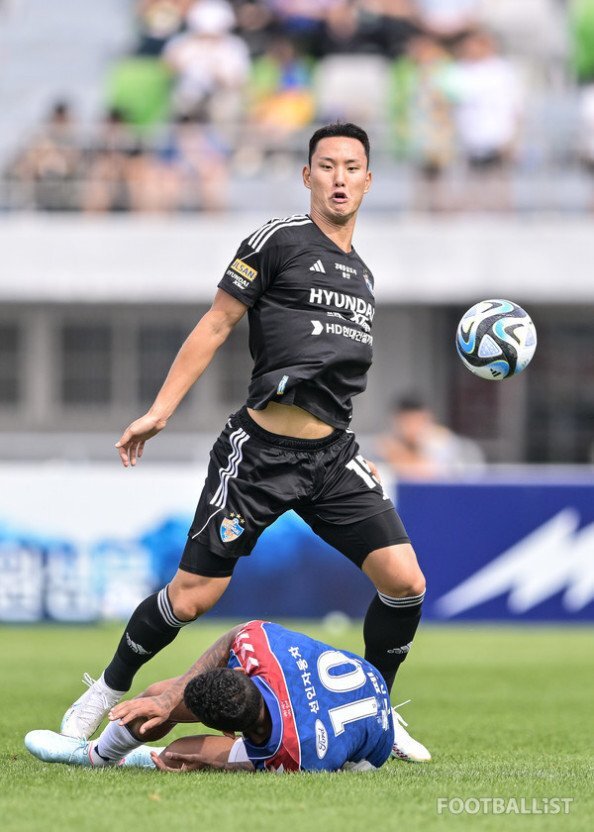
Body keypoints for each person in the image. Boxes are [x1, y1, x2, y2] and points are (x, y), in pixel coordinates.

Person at [60, 122, 429, 761]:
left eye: (351, 168)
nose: (339, 178)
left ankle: (379, 708)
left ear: (369, 181)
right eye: (327, 166)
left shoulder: (363, 276)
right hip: (259, 455)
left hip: (332, 459)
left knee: (405, 582)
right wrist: (159, 411)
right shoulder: (276, 241)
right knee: (192, 598)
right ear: (308, 175)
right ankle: (108, 688)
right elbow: (216, 324)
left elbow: (334, 375)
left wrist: (344, 440)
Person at [27, 619, 429, 771]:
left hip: (366, 749)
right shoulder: (258, 642)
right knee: (158, 696)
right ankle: (99, 754)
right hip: (365, 680)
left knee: (178, 754)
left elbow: (185, 750)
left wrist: (195, 758)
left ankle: (100, 757)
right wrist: (169, 699)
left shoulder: (292, 754)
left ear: (230, 733)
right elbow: (233, 634)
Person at [377, 394, 485, 480]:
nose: (412, 428)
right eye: (407, 422)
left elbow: (431, 474)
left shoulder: (445, 443)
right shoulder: (384, 446)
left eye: (417, 421)